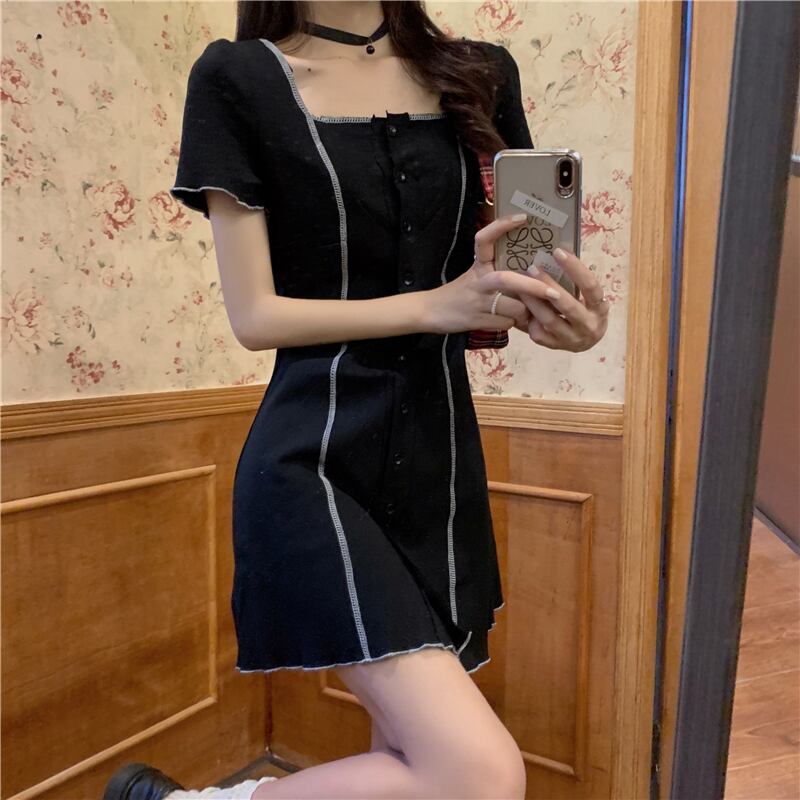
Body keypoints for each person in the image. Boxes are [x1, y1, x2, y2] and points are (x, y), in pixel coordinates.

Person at [103, 2, 609, 799]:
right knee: (474, 774)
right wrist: (433, 305)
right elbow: (255, 317)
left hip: (439, 469)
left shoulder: (479, 75)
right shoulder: (240, 78)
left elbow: (508, 282)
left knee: (414, 765)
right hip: (311, 460)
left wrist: (568, 325)